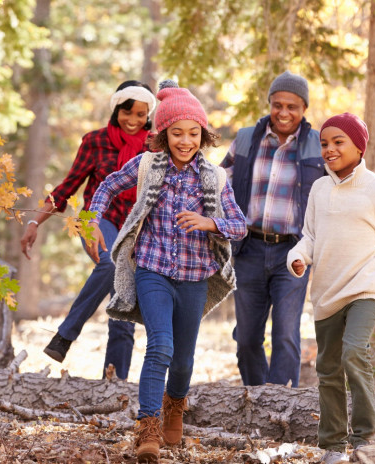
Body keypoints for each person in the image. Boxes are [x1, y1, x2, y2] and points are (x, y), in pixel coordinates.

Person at [86, 81, 246, 463]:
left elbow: (239, 225)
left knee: (185, 359)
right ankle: (147, 429)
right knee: (160, 346)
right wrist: (91, 218)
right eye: (177, 133)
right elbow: (107, 185)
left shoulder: (214, 178)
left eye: (193, 133)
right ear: (162, 134)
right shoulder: (146, 166)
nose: (185, 141)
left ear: (203, 136)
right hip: (152, 271)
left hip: (194, 277)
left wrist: (210, 223)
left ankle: (175, 407)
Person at [287, 113, 375, 464]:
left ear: (359, 146)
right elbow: (309, 237)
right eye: (324, 143)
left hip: (366, 288)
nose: (329, 149)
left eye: (338, 142)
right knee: (327, 370)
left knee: (353, 352)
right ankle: (331, 447)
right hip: (327, 292)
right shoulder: (319, 188)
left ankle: (365, 438)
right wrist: (298, 258)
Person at [20, 80, 157, 380]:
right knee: (110, 264)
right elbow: (68, 187)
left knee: (123, 310)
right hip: (97, 221)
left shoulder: (155, 147)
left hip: (135, 231)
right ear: (116, 109)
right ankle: (65, 335)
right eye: (127, 113)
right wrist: (34, 222)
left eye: (140, 114)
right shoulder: (95, 141)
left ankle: (114, 384)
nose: (133, 121)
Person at [220, 70, 325, 387]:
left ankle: (281, 400)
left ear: (303, 108)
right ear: (269, 104)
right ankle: (256, 397)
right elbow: (219, 183)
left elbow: (337, 191)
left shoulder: (318, 145)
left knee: (285, 332)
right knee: (248, 338)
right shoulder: (246, 139)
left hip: (293, 251)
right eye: (277, 104)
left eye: (292, 106)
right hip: (249, 249)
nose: (283, 112)